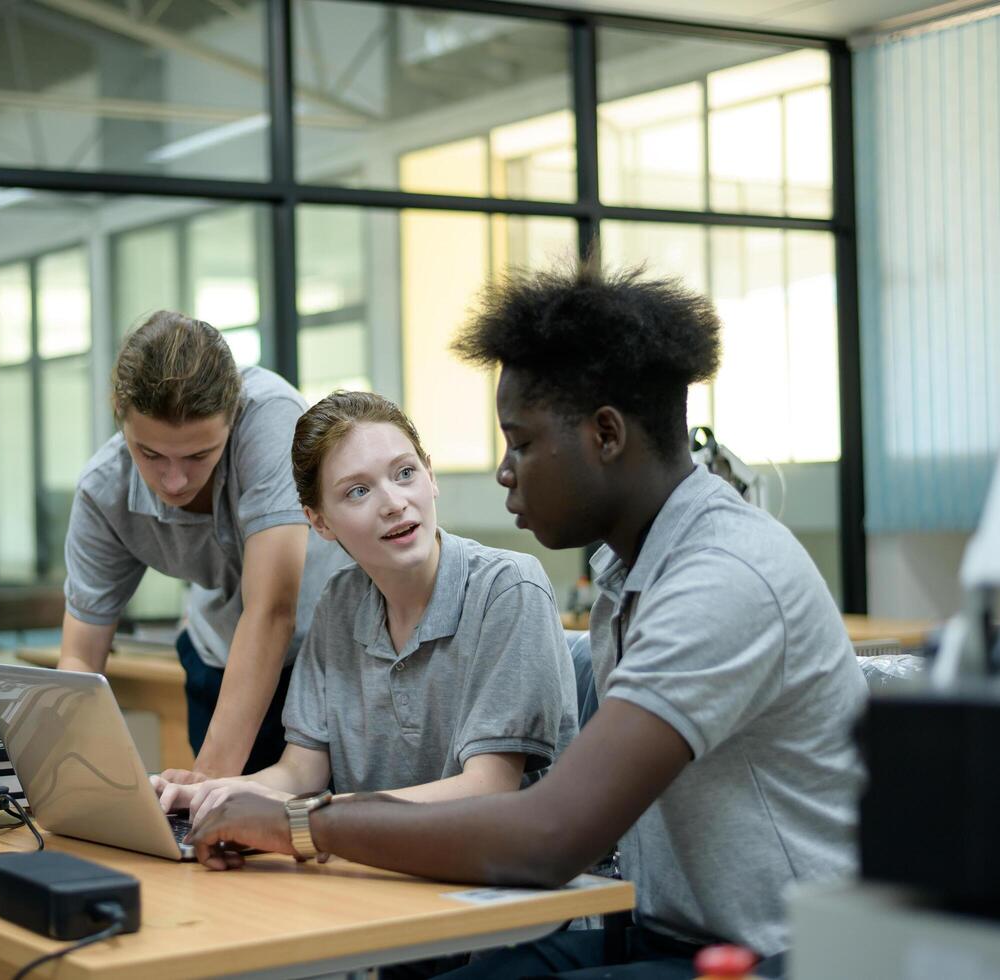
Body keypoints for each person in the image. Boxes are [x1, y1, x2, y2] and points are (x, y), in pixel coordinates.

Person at [183, 261, 868, 977]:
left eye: (522, 442)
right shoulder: (632, 572)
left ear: (605, 434)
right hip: (659, 928)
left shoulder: (721, 576)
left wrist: (298, 823)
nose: (506, 470)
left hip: (784, 955)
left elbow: (548, 837)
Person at [153, 390, 578, 824]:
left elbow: (488, 787)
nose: (394, 503)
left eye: (405, 473)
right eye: (358, 491)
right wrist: (211, 792)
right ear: (319, 521)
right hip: (389, 867)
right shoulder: (338, 602)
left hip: (511, 878)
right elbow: (301, 770)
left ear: (431, 476)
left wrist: (311, 816)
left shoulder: (508, 587)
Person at [58, 311, 351, 778]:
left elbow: (272, 610)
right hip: (221, 659)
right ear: (120, 414)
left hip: (329, 662)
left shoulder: (272, 418)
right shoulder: (103, 491)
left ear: (233, 417)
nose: (174, 481)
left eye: (199, 455)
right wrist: (64, 773)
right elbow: (79, 656)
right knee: (219, 836)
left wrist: (209, 785)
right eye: (150, 454)